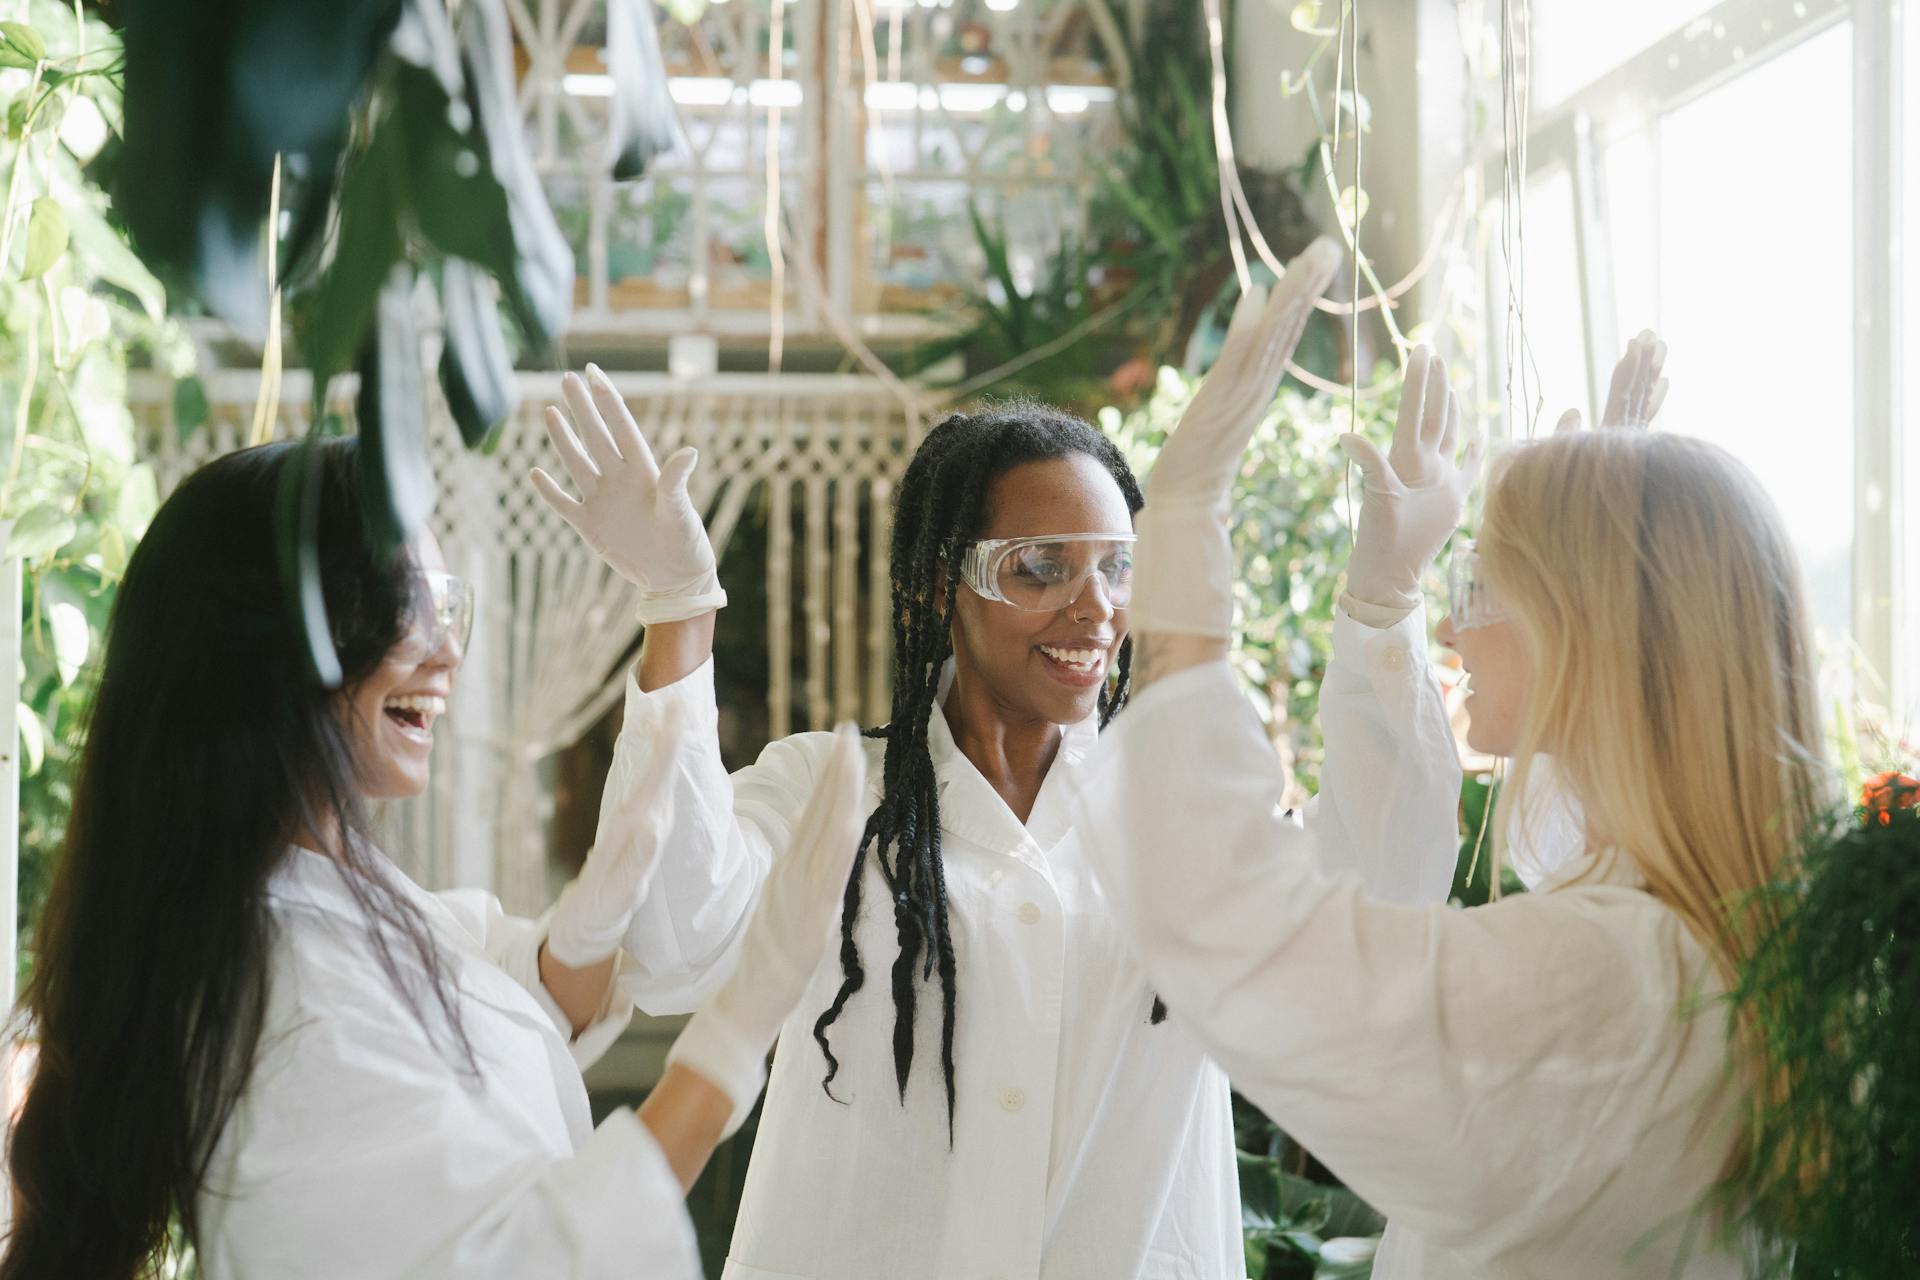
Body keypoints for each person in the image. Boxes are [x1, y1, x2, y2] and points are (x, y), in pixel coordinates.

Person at [527, 238, 1466, 1278]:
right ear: (942, 586)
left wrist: (1386, 604)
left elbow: (1382, 892)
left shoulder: (1175, 816)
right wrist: (678, 608)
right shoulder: (829, 793)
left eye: (1118, 567)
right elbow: (676, 938)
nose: (1095, 607)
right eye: (1039, 567)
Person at [1, 437, 869, 1280]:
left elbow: (493, 1013)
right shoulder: (288, 995)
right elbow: (528, 1257)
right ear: (266, 641)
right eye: (401, 607)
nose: (446, 649)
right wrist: (734, 1034)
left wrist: (587, 925)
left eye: (445, 604)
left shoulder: (320, 897)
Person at [1070, 335, 1829, 1276]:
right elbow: (1468, 858)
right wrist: (1390, 600)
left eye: (1483, 584)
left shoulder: (1612, 978)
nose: (1456, 625)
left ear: (1582, 629)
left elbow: (1242, 929)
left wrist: (1185, 536)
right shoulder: (1694, 934)